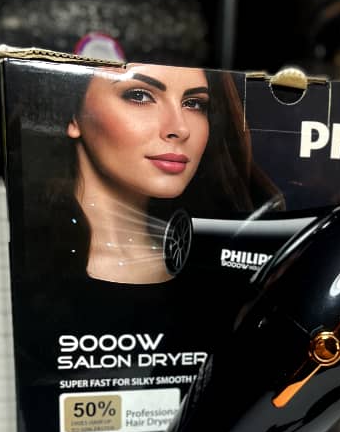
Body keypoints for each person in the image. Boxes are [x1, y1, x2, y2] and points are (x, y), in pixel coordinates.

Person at [20, 60, 281, 285]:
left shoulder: (226, 273)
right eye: (139, 96)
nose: (180, 129)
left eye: (194, 103)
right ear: (73, 115)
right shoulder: (29, 265)